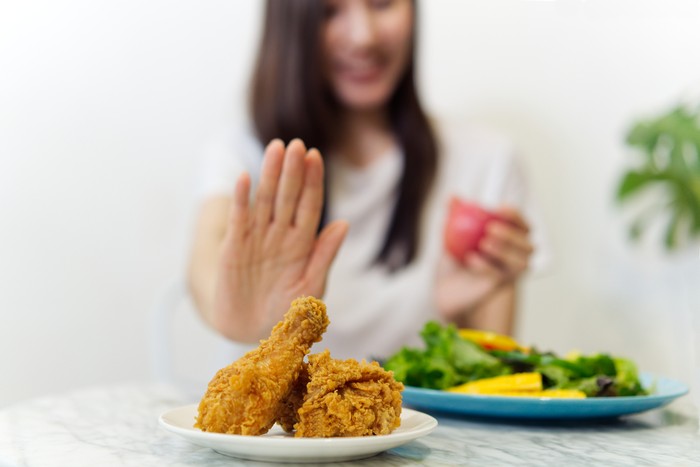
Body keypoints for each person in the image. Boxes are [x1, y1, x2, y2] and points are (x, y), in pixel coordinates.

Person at [188, 0, 547, 361]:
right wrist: (240, 313)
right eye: (329, 11)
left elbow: (491, 387)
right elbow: (207, 260)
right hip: (279, 421)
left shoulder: (485, 160)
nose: (364, 37)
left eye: (382, 3)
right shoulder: (247, 152)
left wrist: (459, 314)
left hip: (420, 419)